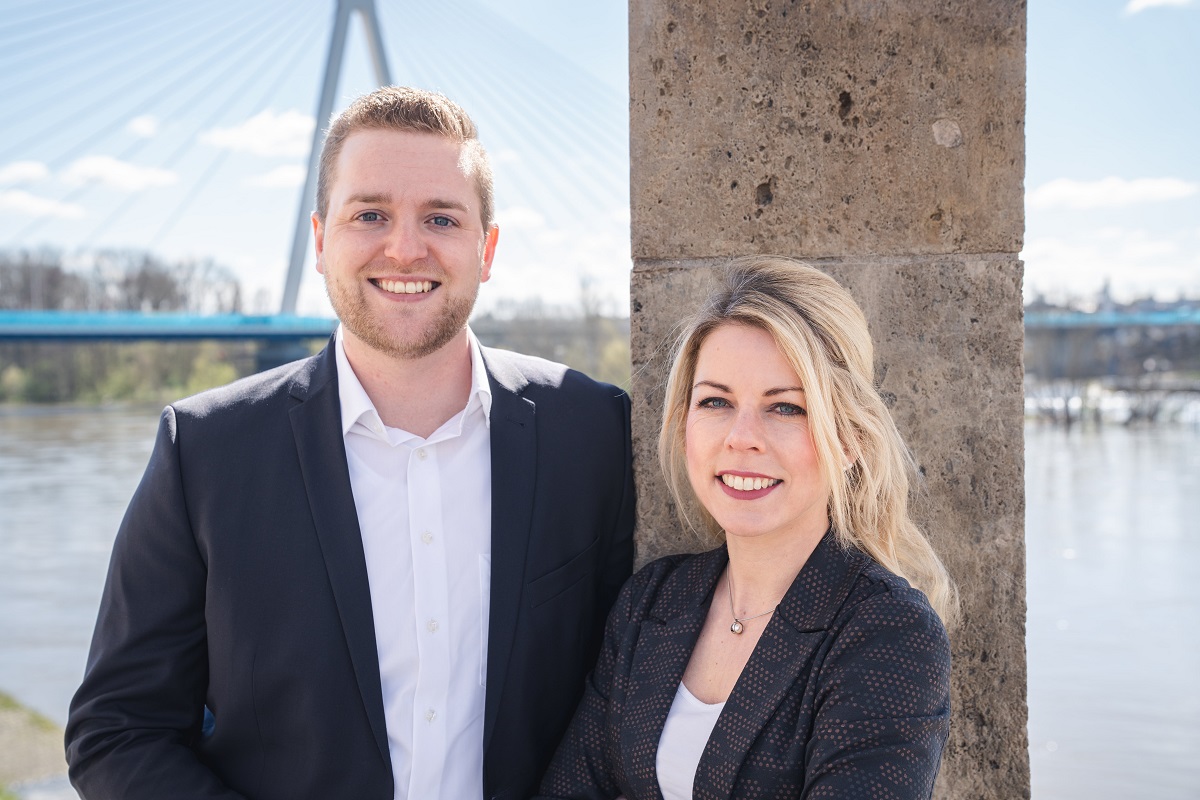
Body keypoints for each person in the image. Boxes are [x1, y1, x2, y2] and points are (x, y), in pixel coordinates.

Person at [65, 86, 635, 800]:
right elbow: (118, 728)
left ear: (486, 249)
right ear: (320, 240)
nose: (405, 246)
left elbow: (629, 702)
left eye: (441, 217)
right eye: (370, 214)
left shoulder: (592, 431)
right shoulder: (204, 452)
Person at [538, 256, 955, 800]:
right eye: (716, 401)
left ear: (849, 438)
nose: (741, 437)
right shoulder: (651, 601)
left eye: (785, 409)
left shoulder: (887, 632)